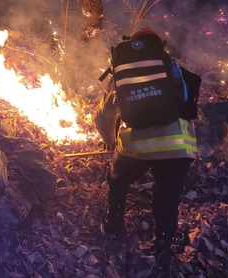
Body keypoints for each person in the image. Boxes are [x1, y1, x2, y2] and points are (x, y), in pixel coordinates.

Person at [93, 28, 198, 272]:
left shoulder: (123, 70)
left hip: (136, 147)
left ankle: (113, 226)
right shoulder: (174, 69)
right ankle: (162, 246)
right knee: (167, 198)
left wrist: (108, 138)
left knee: (117, 181)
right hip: (178, 148)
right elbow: (189, 108)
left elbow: (106, 114)